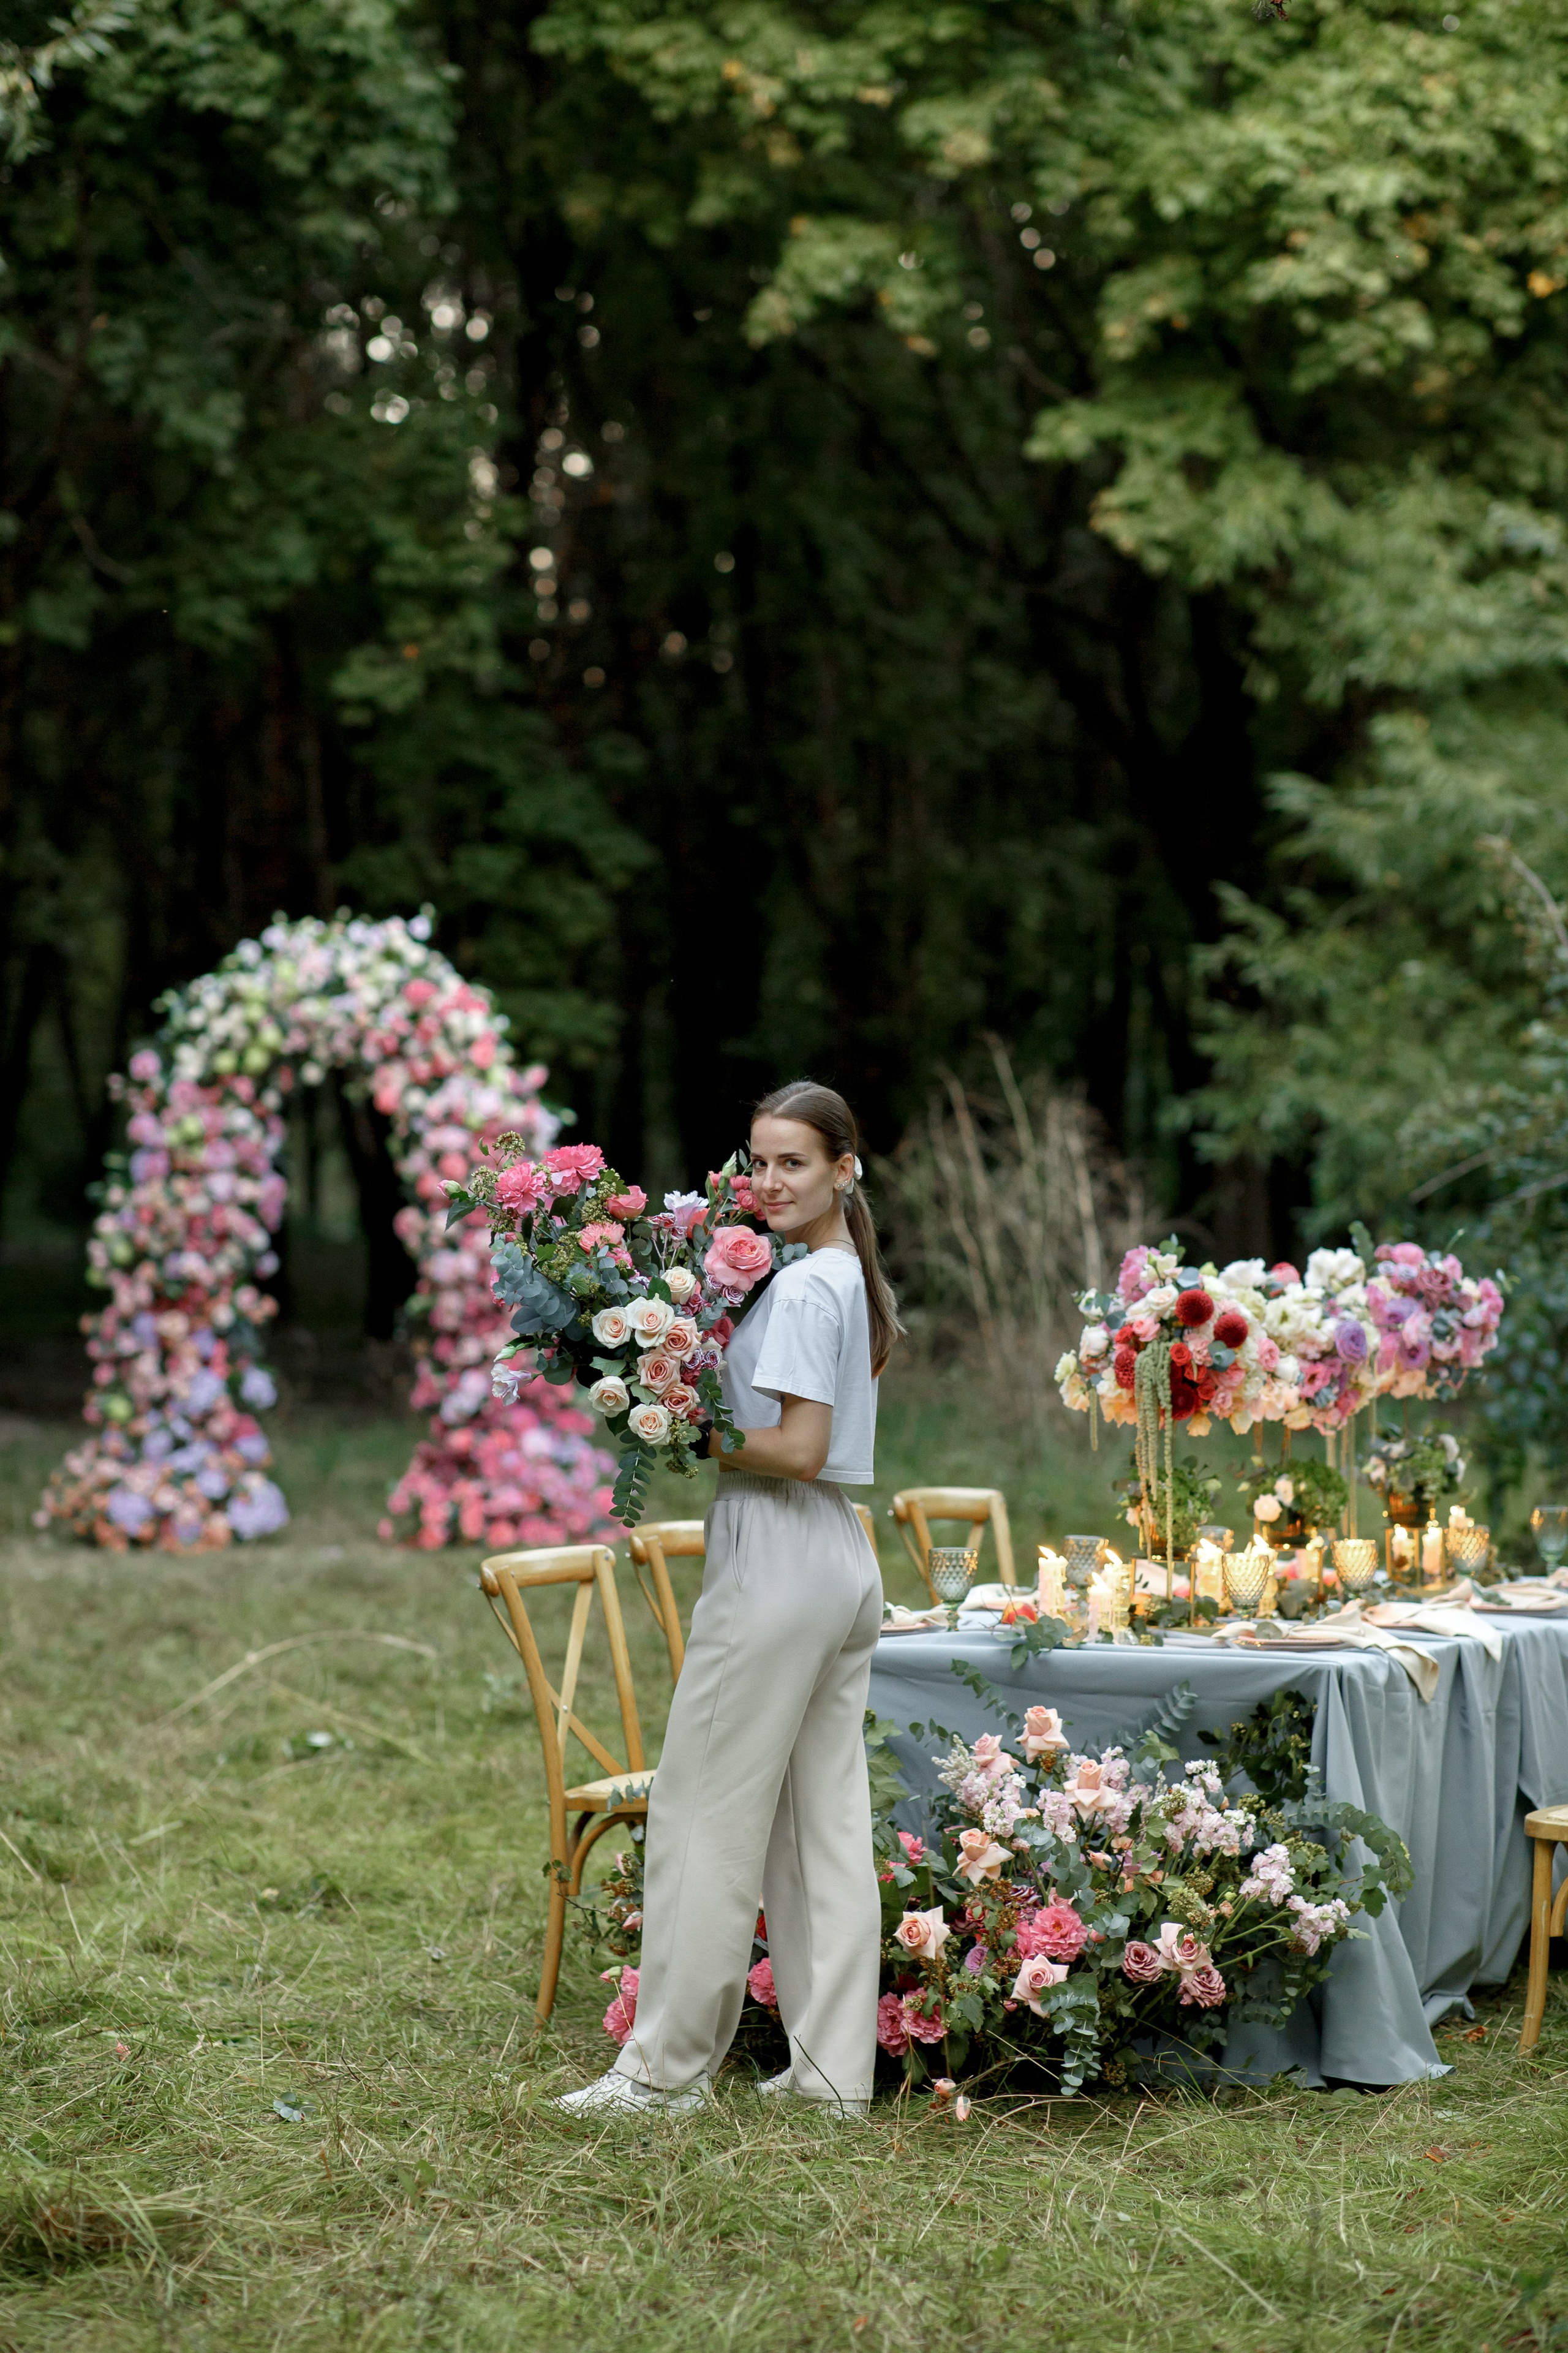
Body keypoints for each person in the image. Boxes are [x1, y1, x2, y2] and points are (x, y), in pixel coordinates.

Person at [556, 1079, 902, 2118]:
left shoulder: (802, 1290)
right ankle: (833, 2076)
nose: (771, 1181)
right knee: (819, 1823)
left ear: (844, 1168)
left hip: (780, 1544)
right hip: (840, 1557)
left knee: (701, 1807)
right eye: (759, 1161)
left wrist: (684, 1425)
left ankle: (661, 2072)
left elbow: (796, 1448)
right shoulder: (842, 1277)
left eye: (795, 1161)